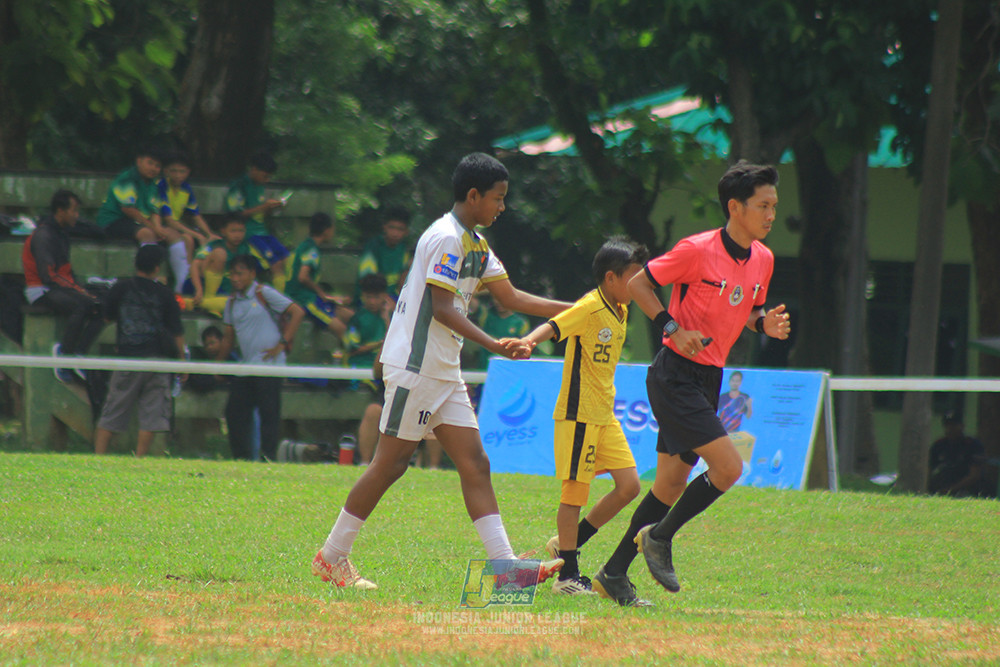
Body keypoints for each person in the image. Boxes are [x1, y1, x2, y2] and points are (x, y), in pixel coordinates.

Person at [311, 152, 571, 590]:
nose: (502, 207)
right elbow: (442, 307)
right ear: (473, 196)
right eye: (497, 198)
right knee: (389, 465)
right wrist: (493, 344)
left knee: (475, 463)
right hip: (417, 368)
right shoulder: (446, 238)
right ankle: (332, 557)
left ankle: (506, 570)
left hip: (442, 371)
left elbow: (510, 298)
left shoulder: (475, 243)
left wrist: (580, 311)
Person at [600, 160, 791, 603]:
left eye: (774, 206)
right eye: (763, 205)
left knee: (669, 485)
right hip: (674, 375)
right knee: (728, 468)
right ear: (735, 207)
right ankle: (660, 538)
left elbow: (749, 312)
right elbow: (637, 285)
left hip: (709, 378)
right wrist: (671, 327)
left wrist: (766, 326)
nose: (771, 215)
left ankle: (612, 574)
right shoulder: (697, 249)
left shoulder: (763, 258)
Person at [514, 237, 648, 596]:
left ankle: (566, 546)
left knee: (630, 486)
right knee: (573, 497)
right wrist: (528, 341)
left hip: (605, 415)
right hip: (579, 416)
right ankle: (567, 577)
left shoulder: (620, 309)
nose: (640, 285)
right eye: (634, 278)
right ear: (611, 278)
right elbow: (555, 326)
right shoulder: (590, 306)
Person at [93, 245, 184, 457]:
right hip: (156, 360)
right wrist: (181, 362)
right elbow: (177, 331)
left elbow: (107, 317)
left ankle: (98, 456)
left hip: (127, 358)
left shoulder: (121, 288)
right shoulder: (164, 294)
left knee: (113, 409)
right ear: (156, 268)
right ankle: (139, 459)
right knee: (151, 413)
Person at [217, 254, 305, 461]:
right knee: (234, 412)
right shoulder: (231, 303)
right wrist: (218, 366)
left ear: (251, 274)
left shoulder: (263, 293)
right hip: (246, 367)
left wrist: (281, 344)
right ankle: (241, 457)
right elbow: (228, 338)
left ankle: (268, 457)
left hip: (269, 367)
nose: (235, 278)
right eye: (232, 274)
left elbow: (297, 312)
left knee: (269, 415)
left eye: (240, 273)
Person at [22, 190, 105, 382]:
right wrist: (80, 291)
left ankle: (79, 353)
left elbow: (65, 271)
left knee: (101, 306)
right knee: (81, 305)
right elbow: (48, 276)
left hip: (60, 286)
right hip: (41, 289)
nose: (77, 215)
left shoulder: (62, 232)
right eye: (74, 210)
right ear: (60, 211)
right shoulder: (43, 235)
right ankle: (64, 356)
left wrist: (81, 290)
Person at [344, 273, 393, 466]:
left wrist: (388, 317)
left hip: (392, 372)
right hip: (367, 371)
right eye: (368, 297)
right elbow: (352, 348)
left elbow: (397, 339)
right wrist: (379, 344)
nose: (373, 301)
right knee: (374, 410)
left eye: (377, 296)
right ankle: (365, 462)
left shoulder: (393, 317)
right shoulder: (358, 319)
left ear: (385, 297)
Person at [223, 151, 290, 291]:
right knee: (275, 264)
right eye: (265, 176)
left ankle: (285, 297)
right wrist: (263, 207)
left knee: (287, 259)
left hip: (263, 233)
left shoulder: (259, 186)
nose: (267, 180)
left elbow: (259, 210)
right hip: (249, 234)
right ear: (254, 169)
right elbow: (235, 214)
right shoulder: (239, 186)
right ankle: (279, 302)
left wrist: (271, 207)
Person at [157, 151, 219, 292]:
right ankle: (182, 285)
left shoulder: (186, 188)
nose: (178, 175)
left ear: (188, 172)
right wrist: (198, 235)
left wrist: (208, 234)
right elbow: (169, 220)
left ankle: (189, 283)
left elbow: (195, 215)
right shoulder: (161, 186)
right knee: (189, 239)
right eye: (174, 171)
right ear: (166, 171)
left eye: (182, 171)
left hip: (176, 229)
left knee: (194, 240)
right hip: (161, 226)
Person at [285, 212, 354, 338]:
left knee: (350, 316)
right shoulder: (311, 250)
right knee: (342, 329)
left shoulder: (306, 245)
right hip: (304, 299)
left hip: (309, 296)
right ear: (326, 231)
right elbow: (303, 277)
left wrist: (332, 298)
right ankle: (353, 356)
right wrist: (321, 292)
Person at [95, 147, 165, 243]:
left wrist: (158, 228)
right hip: (113, 221)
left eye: (157, 166)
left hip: (136, 222)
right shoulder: (127, 178)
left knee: (171, 234)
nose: (153, 168)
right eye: (150, 163)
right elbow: (128, 209)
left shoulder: (154, 184)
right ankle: (148, 256)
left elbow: (154, 210)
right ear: (139, 161)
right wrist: (152, 227)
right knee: (147, 233)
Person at [186, 217, 251, 316]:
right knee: (220, 254)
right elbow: (195, 265)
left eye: (241, 231)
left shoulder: (245, 248)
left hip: (225, 288)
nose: (237, 235)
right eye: (233, 231)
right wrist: (198, 289)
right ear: (223, 231)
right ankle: (208, 300)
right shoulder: (213, 245)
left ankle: (205, 305)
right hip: (201, 285)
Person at [928, 410, 988, 498]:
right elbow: (928, 469)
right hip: (942, 486)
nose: (950, 429)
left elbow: (974, 475)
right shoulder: (939, 445)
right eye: (947, 426)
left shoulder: (973, 445)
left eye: (954, 425)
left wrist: (950, 490)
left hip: (966, 489)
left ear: (962, 426)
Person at [357, 206, 412, 300]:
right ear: (384, 227)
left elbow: (405, 280)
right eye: (391, 228)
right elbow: (367, 281)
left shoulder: (404, 250)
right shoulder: (373, 247)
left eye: (400, 229)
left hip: (395, 299)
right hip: (371, 300)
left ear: (406, 232)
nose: (395, 233)